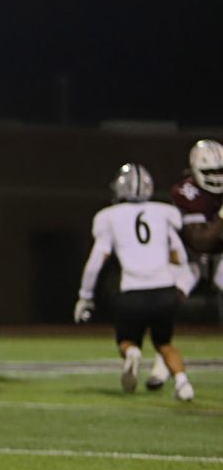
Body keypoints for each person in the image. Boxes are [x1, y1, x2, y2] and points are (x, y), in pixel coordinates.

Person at [74, 163, 194, 402]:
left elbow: (97, 260)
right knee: (164, 343)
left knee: (126, 340)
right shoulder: (163, 212)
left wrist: (85, 296)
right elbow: (179, 257)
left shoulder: (108, 217)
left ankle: (133, 353)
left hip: (132, 292)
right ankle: (183, 383)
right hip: (164, 290)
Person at [148, 139, 223, 387]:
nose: (216, 177)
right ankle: (163, 357)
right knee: (172, 299)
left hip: (219, 251)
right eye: (210, 172)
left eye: (220, 171)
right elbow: (200, 241)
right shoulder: (187, 191)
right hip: (186, 255)